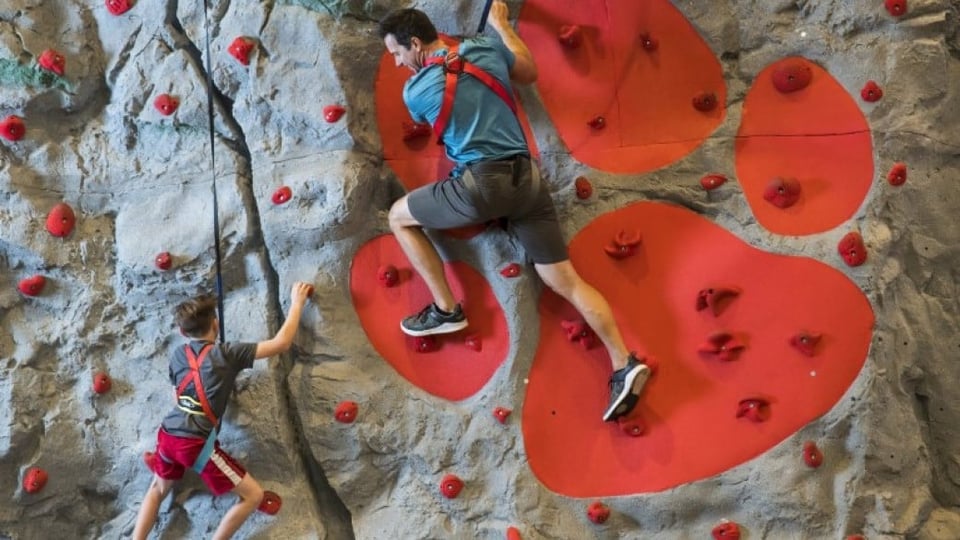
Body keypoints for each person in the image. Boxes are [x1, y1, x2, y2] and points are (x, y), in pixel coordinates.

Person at [378, 3, 650, 422]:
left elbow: (433, 105)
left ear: (415, 44)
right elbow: (526, 71)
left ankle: (446, 309)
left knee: (399, 215)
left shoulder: (415, 90)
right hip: (528, 182)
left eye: (397, 53)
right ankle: (624, 360)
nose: (397, 63)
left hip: (482, 187)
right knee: (565, 280)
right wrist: (502, 27)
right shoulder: (484, 49)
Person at [133, 282, 313, 540]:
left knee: (157, 489)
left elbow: (179, 396)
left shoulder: (178, 354)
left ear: (183, 332)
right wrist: (297, 303)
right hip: (195, 444)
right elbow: (281, 343)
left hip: (168, 434)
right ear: (215, 324)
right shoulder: (228, 354)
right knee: (254, 495)